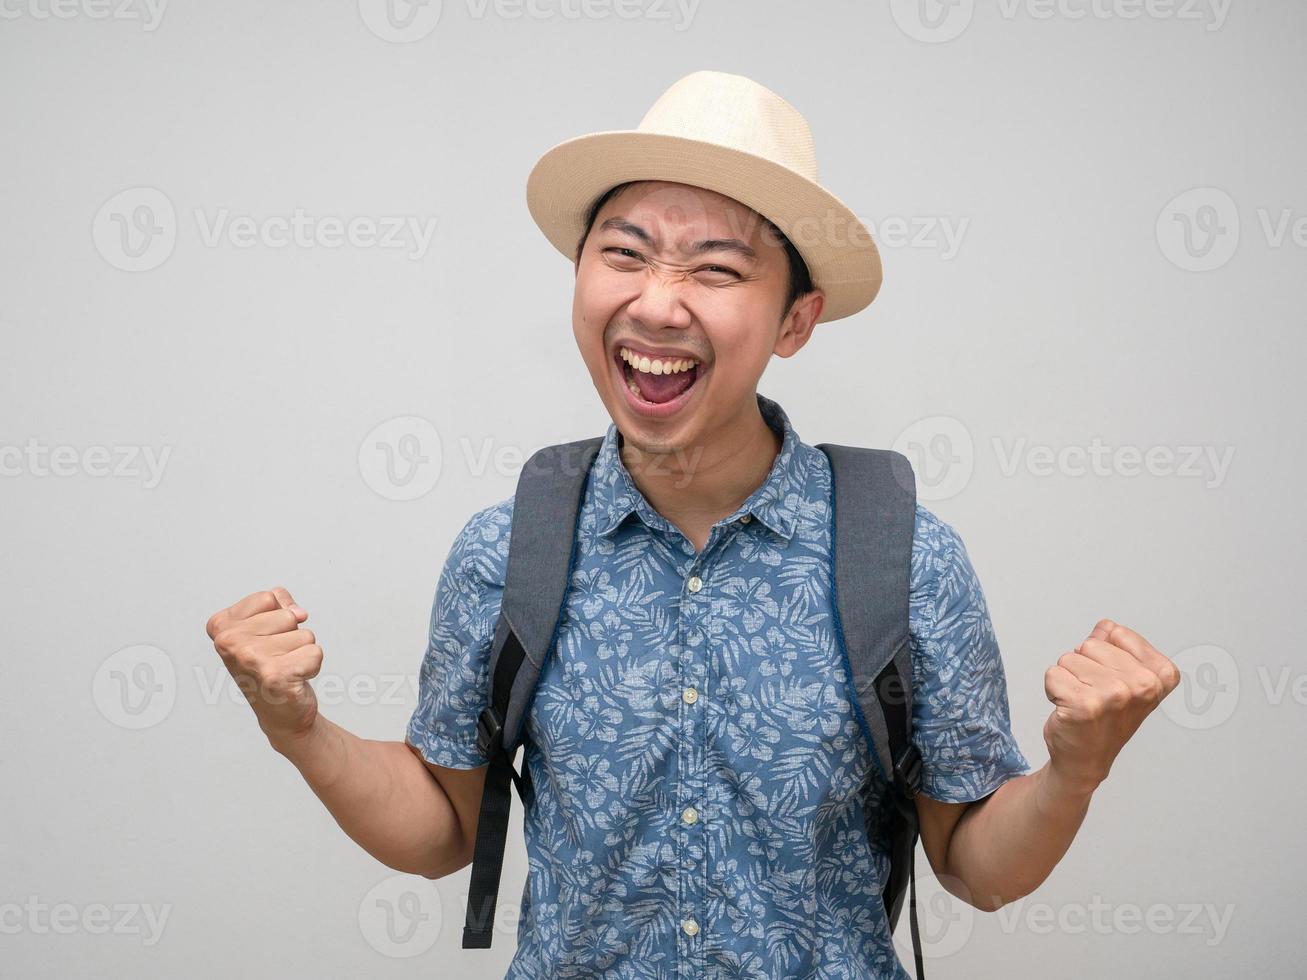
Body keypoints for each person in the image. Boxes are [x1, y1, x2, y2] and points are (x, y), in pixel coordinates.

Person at [205, 70, 1181, 979]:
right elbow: (439, 829)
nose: (656, 302)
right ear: (580, 276)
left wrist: (1072, 769)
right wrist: (299, 728)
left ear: (794, 320)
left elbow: (976, 864)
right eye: (622, 254)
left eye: (713, 269)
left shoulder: (903, 557)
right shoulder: (507, 551)